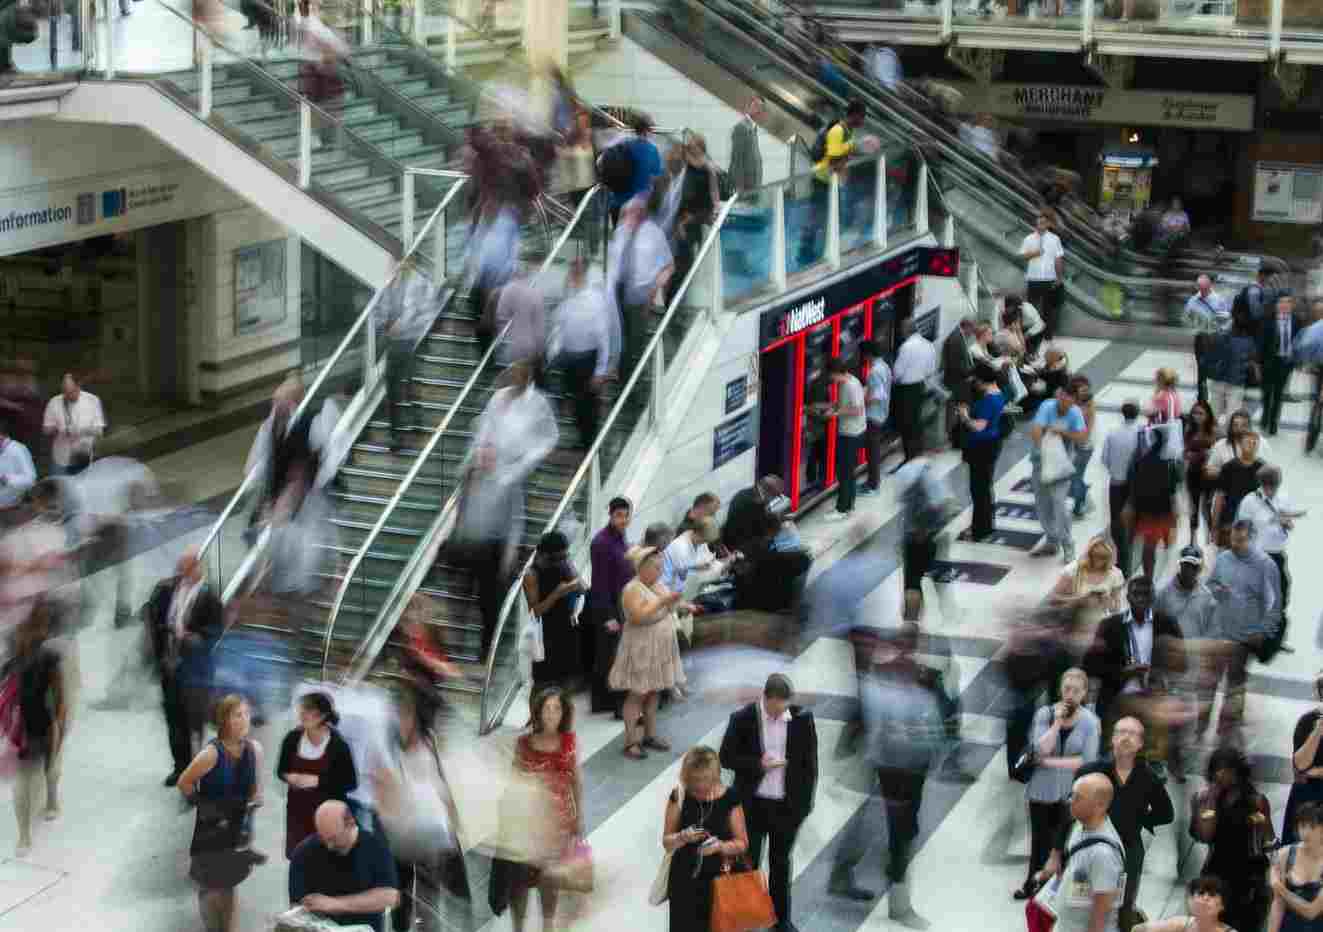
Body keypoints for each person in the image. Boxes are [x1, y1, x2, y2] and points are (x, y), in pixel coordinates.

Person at [454, 359, 559, 657]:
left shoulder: (506, 483)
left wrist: (511, 553)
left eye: (518, 371)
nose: (511, 375)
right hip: (472, 544)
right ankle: (465, 642)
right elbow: (463, 506)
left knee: (488, 600)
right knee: (469, 595)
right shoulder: (498, 400)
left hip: (494, 546)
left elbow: (515, 518)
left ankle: (486, 651)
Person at [1047, 717, 1174, 927]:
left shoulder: (1148, 778)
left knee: (1122, 907)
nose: (1126, 737)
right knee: (1079, 904)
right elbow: (1069, 813)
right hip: (1089, 848)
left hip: (1128, 851)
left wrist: (1141, 819)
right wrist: (1056, 853)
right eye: (1121, 732)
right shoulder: (1090, 772)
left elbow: (1166, 814)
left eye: (1132, 734)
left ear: (1141, 743)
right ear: (1112, 738)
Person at [717, 674, 817, 932]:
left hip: (786, 807)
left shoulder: (802, 720)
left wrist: (804, 807)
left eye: (784, 707)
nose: (779, 712)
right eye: (775, 707)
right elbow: (726, 757)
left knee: (781, 863)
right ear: (766, 697)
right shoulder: (742, 719)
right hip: (753, 805)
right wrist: (757, 764)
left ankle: (780, 920)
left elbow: (810, 767)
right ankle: (744, 918)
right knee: (747, 862)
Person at [374, 688, 468, 932]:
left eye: (407, 715)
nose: (402, 721)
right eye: (398, 715)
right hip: (400, 837)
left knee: (429, 898)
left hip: (431, 834)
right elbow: (381, 794)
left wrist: (454, 820)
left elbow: (441, 781)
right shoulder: (385, 750)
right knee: (401, 899)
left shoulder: (429, 741)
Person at [177, 694, 266, 932]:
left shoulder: (254, 750)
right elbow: (184, 782)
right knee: (210, 889)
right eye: (238, 715)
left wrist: (251, 809)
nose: (245, 719)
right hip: (210, 834)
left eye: (247, 714)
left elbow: (256, 792)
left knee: (229, 887)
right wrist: (205, 806)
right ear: (224, 720)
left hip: (236, 833)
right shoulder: (211, 753)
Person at [1016, 667, 1100, 901]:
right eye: (1066, 689)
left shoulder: (1091, 722)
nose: (1070, 694)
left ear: (1084, 693)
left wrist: (1049, 762)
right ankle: (1032, 883)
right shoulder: (1045, 713)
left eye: (1076, 690)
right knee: (1039, 840)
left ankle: (1055, 891)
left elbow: (1087, 761)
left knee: (1061, 844)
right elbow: (1040, 747)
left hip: (1070, 793)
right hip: (1041, 790)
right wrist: (1056, 724)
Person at [506, 686, 584, 932]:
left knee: (549, 879)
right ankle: (518, 927)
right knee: (519, 882)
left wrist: (578, 819)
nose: (551, 714)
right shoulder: (523, 744)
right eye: (546, 708)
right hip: (527, 824)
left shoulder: (569, 742)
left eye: (557, 708)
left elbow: (576, 781)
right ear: (537, 712)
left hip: (559, 825)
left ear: (564, 713)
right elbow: (513, 782)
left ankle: (547, 927)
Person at [146, 549, 224, 787]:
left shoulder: (209, 597)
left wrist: (197, 638)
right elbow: (154, 615)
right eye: (181, 567)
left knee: (194, 723)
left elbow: (216, 631)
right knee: (173, 718)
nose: (183, 571)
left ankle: (195, 771)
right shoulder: (167, 590)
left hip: (195, 671)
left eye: (189, 567)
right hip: (170, 664)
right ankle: (179, 767)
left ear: (200, 567)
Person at [1086, 574, 1184, 757]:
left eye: (1146, 594)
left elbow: (1181, 662)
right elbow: (1091, 665)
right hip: (1118, 699)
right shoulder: (1109, 626)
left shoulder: (1167, 623)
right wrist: (1123, 671)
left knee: (1151, 756)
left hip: (1154, 700)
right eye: (1136, 594)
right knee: (1113, 753)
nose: (1140, 598)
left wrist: (1158, 673)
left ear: (1153, 597)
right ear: (1127, 596)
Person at [609, 547, 688, 759]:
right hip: (641, 646)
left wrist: (681, 604)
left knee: (654, 692)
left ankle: (649, 735)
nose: (660, 572)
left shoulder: (658, 584)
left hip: (660, 646)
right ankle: (630, 741)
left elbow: (669, 606)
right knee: (637, 694)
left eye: (662, 567)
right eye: (656, 567)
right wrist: (663, 601)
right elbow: (636, 616)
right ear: (642, 567)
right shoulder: (632, 589)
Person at [1206, 519, 1282, 740]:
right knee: (1210, 681)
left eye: (1240, 540)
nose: (1235, 544)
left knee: (1235, 683)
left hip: (1244, 637)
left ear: (1252, 539)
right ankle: (1202, 725)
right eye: (1233, 539)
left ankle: (1227, 729)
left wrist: (1264, 631)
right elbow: (1209, 585)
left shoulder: (1265, 565)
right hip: (1220, 633)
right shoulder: (1222, 559)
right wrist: (1217, 590)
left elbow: (1275, 603)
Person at [4, 602, 68, 860]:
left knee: (49, 770)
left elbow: (60, 696)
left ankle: (52, 799)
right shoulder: (10, 662)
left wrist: (60, 726)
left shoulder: (48, 657)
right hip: (20, 729)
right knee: (22, 782)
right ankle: (23, 834)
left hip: (43, 722)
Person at [661, 746, 750, 930]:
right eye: (694, 781)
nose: (700, 786)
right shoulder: (679, 795)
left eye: (705, 780)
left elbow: (742, 843)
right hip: (684, 880)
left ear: (715, 775)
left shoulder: (730, 798)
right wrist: (682, 837)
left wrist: (720, 846)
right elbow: (667, 842)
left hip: (722, 879)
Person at [1192, 747, 1275, 932]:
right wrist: (1211, 801)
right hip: (1218, 869)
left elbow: (1268, 839)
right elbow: (1205, 835)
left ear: (1238, 772)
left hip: (1249, 874)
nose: (1221, 774)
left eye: (1227, 769)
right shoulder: (1204, 799)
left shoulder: (1256, 801)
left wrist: (1261, 823)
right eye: (1217, 770)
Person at [289, 800, 400, 932]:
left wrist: (335, 904)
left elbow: (391, 897)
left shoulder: (376, 847)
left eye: (333, 838)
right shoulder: (303, 852)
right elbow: (296, 907)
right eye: (324, 838)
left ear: (350, 823)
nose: (329, 846)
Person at [276, 692, 358, 860]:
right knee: (299, 858)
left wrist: (317, 781)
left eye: (308, 710)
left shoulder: (338, 745)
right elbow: (280, 770)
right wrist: (289, 777)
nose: (302, 714)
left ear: (323, 715)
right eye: (302, 709)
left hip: (328, 818)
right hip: (297, 814)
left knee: (325, 860)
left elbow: (351, 782)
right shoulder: (292, 739)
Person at [1038, 772, 1125, 932]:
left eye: (1078, 797)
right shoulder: (1080, 825)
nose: (1071, 801)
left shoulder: (1103, 854)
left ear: (1099, 805)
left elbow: (1100, 917)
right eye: (1072, 795)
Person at [608, 181, 674, 374]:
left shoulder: (654, 234)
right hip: (617, 291)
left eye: (635, 213)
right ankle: (622, 373)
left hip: (641, 294)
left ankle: (631, 381)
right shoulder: (619, 233)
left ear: (642, 214)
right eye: (627, 213)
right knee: (619, 337)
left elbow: (669, 266)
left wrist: (654, 290)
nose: (630, 217)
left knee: (634, 343)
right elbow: (612, 263)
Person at [552, 261, 617, 450]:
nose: (571, 278)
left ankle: (590, 442)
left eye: (574, 274)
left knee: (587, 403)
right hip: (570, 358)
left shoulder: (594, 300)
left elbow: (603, 337)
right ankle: (583, 438)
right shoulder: (568, 298)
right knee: (577, 401)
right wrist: (556, 350)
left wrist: (600, 370)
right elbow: (560, 325)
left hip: (587, 359)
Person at [797, 99, 867, 266]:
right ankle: (805, 252)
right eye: (862, 117)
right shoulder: (837, 131)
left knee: (825, 215)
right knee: (816, 215)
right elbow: (835, 159)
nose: (863, 121)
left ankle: (817, 249)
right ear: (855, 115)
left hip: (830, 180)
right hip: (822, 178)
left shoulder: (848, 131)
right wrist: (851, 148)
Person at [1030, 387, 1090, 565]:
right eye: (1062, 397)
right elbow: (1036, 430)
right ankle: (1051, 540)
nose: (1064, 402)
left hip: (1061, 466)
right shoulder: (1047, 406)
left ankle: (1067, 543)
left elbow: (1081, 437)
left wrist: (1062, 432)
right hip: (1041, 462)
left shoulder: (1075, 413)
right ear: (1058, 395)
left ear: (1073, 400)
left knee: (1059, 504)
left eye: (1069, 399)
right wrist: (1044, 449)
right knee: (1042, 504)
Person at [522, 531, 587, 688]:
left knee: (567, 680)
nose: (561, 561)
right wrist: (557, 593)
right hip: (545, 635)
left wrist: (571, 571)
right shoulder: (531, 574)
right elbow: (535, 612)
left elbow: (584, 587)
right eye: (557, 557)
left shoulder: (564, 564)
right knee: (544, 683)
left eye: (565, 556)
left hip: (566, 628)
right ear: (543, 554)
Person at [587, 497, 633, 715]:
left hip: (620, 605)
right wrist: (608, 616)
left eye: (626, 516)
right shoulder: (601, 542)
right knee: (608, 657)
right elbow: (600, 582)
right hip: (608, 608)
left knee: (611, 656)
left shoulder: (619, 538)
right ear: (611, 515)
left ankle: (607, 702)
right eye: (619, 516)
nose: (623, 520)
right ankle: (607, 703)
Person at [668, 133, 721, 306]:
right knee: (680, 265)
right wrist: (679, 222)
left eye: (694, 147)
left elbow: (712, 199)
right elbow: (676, 197)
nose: (691, 150)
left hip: (692, 222)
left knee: (683, 265)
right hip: (681, 221)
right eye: (690, 147)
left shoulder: (707, 170)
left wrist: (695, 218)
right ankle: (673, 303)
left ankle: (675, 303)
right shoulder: (684, 168)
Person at [957, 364, 1006, 542]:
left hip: (981, 448)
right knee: (984, 487)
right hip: (991, 444)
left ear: (980, 380)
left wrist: (964, 417)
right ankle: (984, 525)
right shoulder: (999, 393)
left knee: (979, 489)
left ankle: (980, 529)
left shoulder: (988, 401)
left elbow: (979, 427)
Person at [1237, 464, 1296, 609]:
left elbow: (1290, 525)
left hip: (1277, 553)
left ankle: (1277, 619)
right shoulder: (1249, 501)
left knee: (1283, 589)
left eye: (1275, 486)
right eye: (1268, 486)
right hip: (1257, 555)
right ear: (1262, 484)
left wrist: (1286, 523)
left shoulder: (1284, 497)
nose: (1271, 490)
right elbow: (1242, 529)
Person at [1128, 423, 1181, 579]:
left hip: (1147, 510)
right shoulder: (1171, 462)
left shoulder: (1142, 459)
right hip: (1163, 510)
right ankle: (1159, 577)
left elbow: (1135, 486)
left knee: (1149, 546)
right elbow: (1173, 489)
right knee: (1166, 545)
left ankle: (1148, 577)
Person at [890, 317, 938, 471]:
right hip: (919, 386)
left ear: (906, 330)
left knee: (906, 425)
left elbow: (897, 372)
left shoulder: (906, 347)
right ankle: (918, 457)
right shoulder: (928, 345)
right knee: (916, 423)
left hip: (905, 390)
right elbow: (931, 369)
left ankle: (909, 458)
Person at [1049, 536, 1126, 630]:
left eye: (1103, 557)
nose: (1098, 561)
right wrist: (1077, 600)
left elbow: (1116, 608)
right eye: (1094, 555)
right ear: (1089, 554)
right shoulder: (1074, 569)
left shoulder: (1115, 574)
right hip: (1073, 620)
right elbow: (1053, 598)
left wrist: (1107, 601)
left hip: (1099, 623)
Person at [1101, 401, 1142, 576]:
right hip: (1135, 485)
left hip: (1117, 483)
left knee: (1117, 522)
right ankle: (1129, 556)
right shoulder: (1142, 433)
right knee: (1132, 521)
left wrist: (1115, 469)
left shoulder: (1112, 433)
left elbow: (1104, 458)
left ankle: (1122, 560)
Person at [1269, 804, 1323, 932]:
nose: (1306, 832)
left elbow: (1312, 911)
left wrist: (1279, 887)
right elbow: (1278, 905)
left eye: (1312, 827)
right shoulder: (1285, 854)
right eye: (1302, 826)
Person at [1283, 681, 1323, 848]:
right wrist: (1318, 731)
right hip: (1308, 796)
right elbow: (1299, 764)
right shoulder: (1308, 721)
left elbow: (1304, 771)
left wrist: (1313, 772)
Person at [604, 113, 663, 226]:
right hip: (637, 208)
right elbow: (656, 177)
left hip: (617, 203)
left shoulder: (622, 145)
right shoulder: (652, 150)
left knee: (619, 239)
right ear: (647, 130)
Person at [826, 355, 866, 517]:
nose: (830, 379)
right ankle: (848, 505)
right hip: (849, 432)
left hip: (851, 434)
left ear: (836, 373)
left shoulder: (850, 386)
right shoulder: (846, 382)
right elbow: (845, 404)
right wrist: (830, 406)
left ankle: (842, 509)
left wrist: (835, 414)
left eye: (831, 375)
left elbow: (857, 409)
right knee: (847, 471)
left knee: (844, 472)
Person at [42, 372, 104, 476]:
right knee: (59, 490)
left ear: (79, 386)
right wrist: (61, 430)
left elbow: (99, 431)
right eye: (65, 392)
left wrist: (80, 430)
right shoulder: (54, 402)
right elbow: (46, 430)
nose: (68, 395)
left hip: (83, 458)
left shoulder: (92, 400)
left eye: (71, 392)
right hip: (61, 459)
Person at [1211, 431, 1264, 548]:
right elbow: (1220, 497)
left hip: (1252, 524)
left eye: (1255, 442)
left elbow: (1267, 499)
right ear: (1240, 444)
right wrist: (1215, 525)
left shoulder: (1263, 468)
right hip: (1229, 521)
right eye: (1248, 442)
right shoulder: (1229, 467)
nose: (1252, 444)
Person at [1208, 312, 1259, 432]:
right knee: (1232, 414)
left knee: (1214, 411)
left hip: (1219, 379)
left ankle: (1210, 434)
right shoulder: (1249, 342)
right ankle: (1226, 437)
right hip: (1237, 381)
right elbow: (1253, 359)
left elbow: (1211, 353)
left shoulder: (1221, 337)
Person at [1134, 875, 1236, 932]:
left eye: (1212, 894)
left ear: (1222, 905)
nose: (1206, 898)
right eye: (1201, 893)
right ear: (1190, 901)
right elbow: (1138, 929)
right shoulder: (1181, 924)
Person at [1020, 212, 1065, 341]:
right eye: (1039, 222)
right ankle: (1031, 335)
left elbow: (1058, 259)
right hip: (1033, 279)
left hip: (1049, 279)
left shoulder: (1054, 239)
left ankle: (1047, 335)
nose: (1040, 225)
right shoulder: (1029, 238)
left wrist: (1059, 277)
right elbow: (1023, 256)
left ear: (1048, 224)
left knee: (1048, 309)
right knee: (1031, 309)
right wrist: (1036, 253)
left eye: (1043, 223)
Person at [1186, 274, 1231, 402]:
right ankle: (1202, 396)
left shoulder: (1219, 300)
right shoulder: (1193, 300)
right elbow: (1188, 317)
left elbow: (1227, 318)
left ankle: (1220, 395)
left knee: (1218, 367)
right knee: (1201, 368)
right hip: (1201, 338)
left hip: (1215, 337)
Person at [661, 516, 732, 596]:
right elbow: (683, 578)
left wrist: (709, 564)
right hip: (671, 588)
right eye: (704, 540)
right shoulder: (681, 547)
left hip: (688, 582)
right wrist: (698, 567)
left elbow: (704, 559)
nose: (704, 543)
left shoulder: (696, 539)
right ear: (697, 533)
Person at [1262, 294, 1298, 437]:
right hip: (1269, 362)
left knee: (1278, 394)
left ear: (1292, 305)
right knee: (1267, 392)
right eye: (1281, 302)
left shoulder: (1296, 321)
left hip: (1286, 362)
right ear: (1276, 305)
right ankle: (1266, 416)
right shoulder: (1268, 320)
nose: (1284, 305)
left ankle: (1273, 422)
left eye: (1288, 302)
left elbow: (1299, 340)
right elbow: (1261, 342)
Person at [1185, 400, 1219, 546]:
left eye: (1200, 413)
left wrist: (1206, 454)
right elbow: (1185, 450)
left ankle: (1210, 537)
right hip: (1192, 473)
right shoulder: (1189, 429)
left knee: (1207, 507)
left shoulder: (1215, 431)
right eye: (1195, 413)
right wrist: (1188, 455)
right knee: (1193, 507)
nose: (1197, 416)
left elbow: (1218, 452)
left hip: (1208, 475)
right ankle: (1192, 540)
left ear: (1207, 415)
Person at [723, 475, 785, 554]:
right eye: (775, 496)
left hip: (738, 539)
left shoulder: (747, 492)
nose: (773, 499)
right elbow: (758, 529)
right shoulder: (755, 503)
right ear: (769, 492)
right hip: (741, 545)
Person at [861, 340, 892, 496]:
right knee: (873, 451)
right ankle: (872, 482)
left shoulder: (874, 371)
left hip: (873, 416)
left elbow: (878, 395)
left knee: (872, 453)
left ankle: (873, 485)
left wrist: (862, 401)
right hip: (881, 414)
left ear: (868, 355)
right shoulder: (884, 366)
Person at [942, 317, 977, 438]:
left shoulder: (958, 337)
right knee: (957, 411)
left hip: (959, 382)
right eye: (972, 330)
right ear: (967, 327)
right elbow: (955, 365)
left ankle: (958, 435)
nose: (972, 333)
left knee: (960, 411)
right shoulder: (956, 339)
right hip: (957, 383)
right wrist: (971, 372)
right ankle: (955, 436)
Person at [1068, 375, 1097, 518]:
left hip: (1084, 447)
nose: (1085, 392)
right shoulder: (1074, 404)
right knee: (1074, 477)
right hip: (1075, 445)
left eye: (1086, 389)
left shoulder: (1088, 407)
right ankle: (1082, 499)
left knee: (1075, 477)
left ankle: (1081, 503)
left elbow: (1086, 433)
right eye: (1082, 389)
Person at [729, 95, 765, 193]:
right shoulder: (741, 127)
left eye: (761, 108)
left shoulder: (753, 128)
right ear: (748, 107)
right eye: (756, 106)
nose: (758, 110)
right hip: (744, 188)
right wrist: (739, 187)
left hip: (753, 186)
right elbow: (737, 159)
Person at [0, 419, 35, 511]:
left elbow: (30, 479)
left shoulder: (18, 449)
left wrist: (6, 479)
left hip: (10, 497)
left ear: (1, 436)